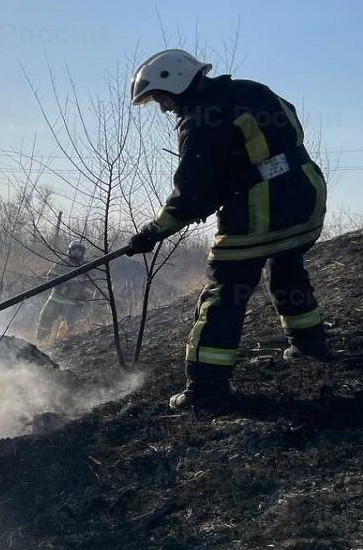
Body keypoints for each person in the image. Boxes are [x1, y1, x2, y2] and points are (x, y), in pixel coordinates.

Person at [127, 49, 331, 411]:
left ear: (176, 81)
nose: (163, 108)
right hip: (305, 196)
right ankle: (310, 344)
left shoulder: (203, 118)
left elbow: (192, 193)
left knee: (225, 292)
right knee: (287, 266)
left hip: (262, 211)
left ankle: (205, 389)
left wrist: (152, 232)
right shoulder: (252, 90)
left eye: (161, 97)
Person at [35, 240, 96, 339]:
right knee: (45, 319)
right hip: (55, 299)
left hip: (74, 303)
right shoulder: (61, 264)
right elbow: (50, 276)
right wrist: (60, 287)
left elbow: (91, 285)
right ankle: (41, 340)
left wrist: (83, 298)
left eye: (79, 250)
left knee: (72, 326)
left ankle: (66, 346)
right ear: (69, 251)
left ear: (83, 252)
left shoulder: (86, 267)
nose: (77, 252)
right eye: (74, 249)